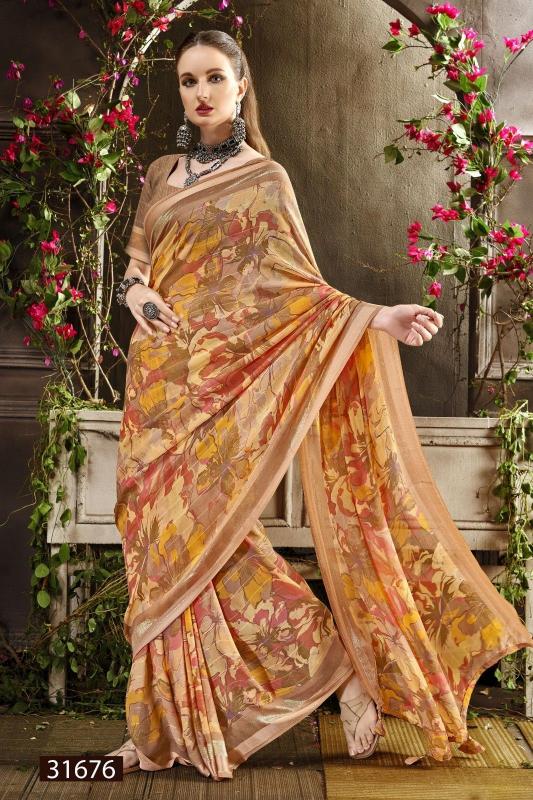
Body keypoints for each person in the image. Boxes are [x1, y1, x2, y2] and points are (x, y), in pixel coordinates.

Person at [106, 29, 533, 779]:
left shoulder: (264, 180)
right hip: (156, 389)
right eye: (188, 81)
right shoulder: (162, 173)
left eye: (214, 78)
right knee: (156, 548)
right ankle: (161, 726)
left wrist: (378, 318)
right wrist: (137, 294)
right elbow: (138, 265)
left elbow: (297, 292)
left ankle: (333, 666)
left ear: (241, 85)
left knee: (211, 544)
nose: (201, 93)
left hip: (220, 395)